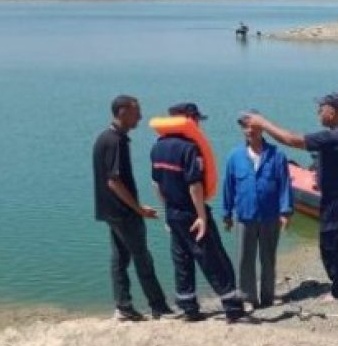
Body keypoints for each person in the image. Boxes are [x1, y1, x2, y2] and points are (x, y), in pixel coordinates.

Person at [241, 93, 338, 301]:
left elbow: (291, 139)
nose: (318, 112)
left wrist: (263, 123)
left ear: (332, 112)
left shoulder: (334, 137)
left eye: (322, 109)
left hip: (336, 199)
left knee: (331, 244)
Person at [150, 102, 247, 323]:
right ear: (189, 118)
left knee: (182, 261)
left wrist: (167, 212)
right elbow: (195, 185)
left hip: (173, 213)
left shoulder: (158, 146)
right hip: (192, 214)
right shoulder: (189, 147)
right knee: (214, 259)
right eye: (196, 119)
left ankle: (189, 309)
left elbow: (156, 183)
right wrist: (201, 216)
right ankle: (233, 308)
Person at [92, 95, 174, 321]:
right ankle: (158, 306)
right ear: (122, 112)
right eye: (136, 112)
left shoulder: (105, 138)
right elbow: (114, 181)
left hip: (110, 211)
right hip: (123, 212)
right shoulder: (115, 140)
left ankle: (123, 306)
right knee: (142, 257)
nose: (140, 116)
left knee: (119, 258)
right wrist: (138, 208)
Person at [222, 116, 293, 310]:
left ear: (262, 129)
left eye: (253, 127)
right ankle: (248, 297)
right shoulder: (234, 156)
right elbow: (228, 186)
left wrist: (286, 211)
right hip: (245, 216)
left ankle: (267, 297)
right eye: (245, 127)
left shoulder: (277, 155)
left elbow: (284, 185)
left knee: (268, 258)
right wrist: (226, 213)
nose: (249, 131)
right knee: (245, 259)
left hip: (270, 216)